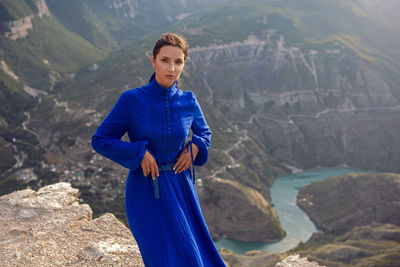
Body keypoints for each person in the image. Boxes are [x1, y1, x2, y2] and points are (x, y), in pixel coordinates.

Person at [91, 33, 226, 267]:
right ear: (153, 61)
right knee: (161, 258)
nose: (171, 68)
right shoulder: (132, 100)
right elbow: (100, 139)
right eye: (165, 60)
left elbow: (205, 133)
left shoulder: (189, 101)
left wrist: (194, 147)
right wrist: (139, 152)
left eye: (178, 62)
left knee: (192, 256)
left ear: (184, 64)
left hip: (181, 188)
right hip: (145, 190)